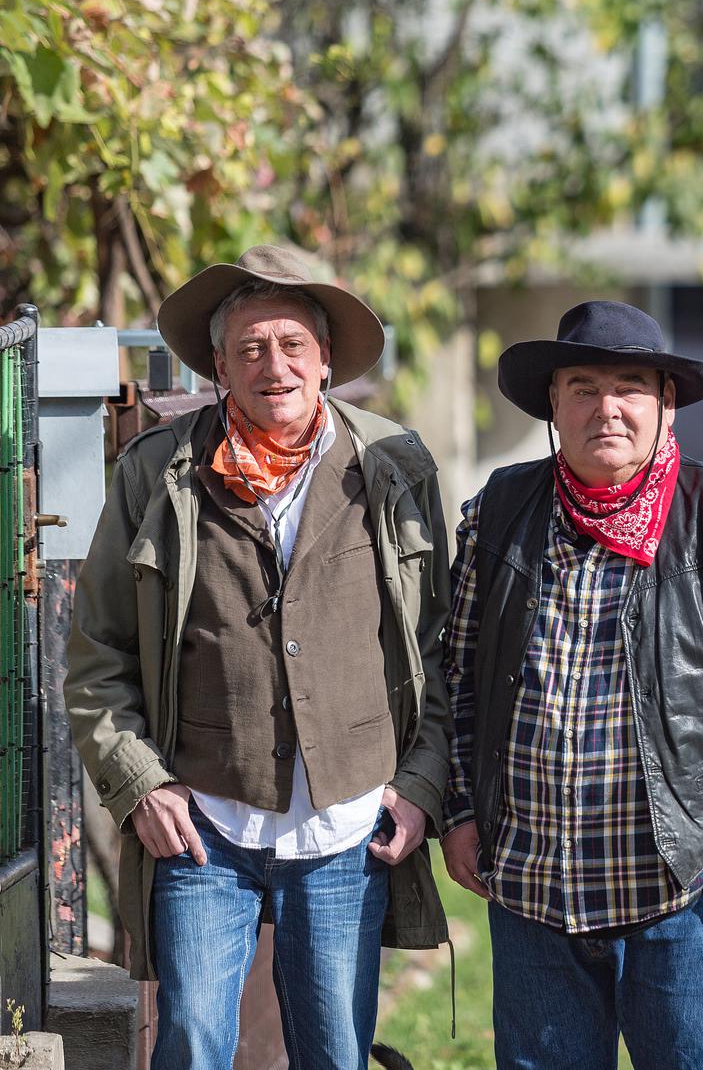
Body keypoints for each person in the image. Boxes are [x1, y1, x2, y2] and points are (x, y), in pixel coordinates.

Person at [66, 244, 452, 1065]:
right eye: (248, 348)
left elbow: (441, 648)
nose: (271, 366)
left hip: (347, 822)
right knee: (192, 1039)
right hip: (205, 819)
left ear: (324, 361)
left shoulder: (393, 465)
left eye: (290, 346)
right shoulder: (154, 471)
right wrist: (140, 784)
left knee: (335, 1050)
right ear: (216, 365)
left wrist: (419, 786)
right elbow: (98, 652)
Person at [438, 300, 703, 1069]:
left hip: (688, 894)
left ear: (666, 403)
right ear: (553, 404)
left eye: (630, 387)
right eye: (581, 386)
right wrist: (457, 807)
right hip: (533, 891)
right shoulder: (497, 514)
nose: (606, 408)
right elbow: (456, 678)